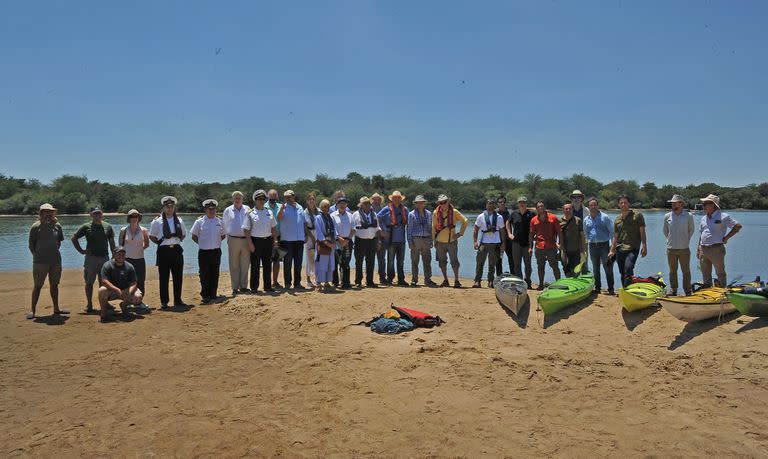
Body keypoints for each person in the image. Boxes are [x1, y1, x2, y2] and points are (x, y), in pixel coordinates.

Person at [72, 206, 116, 313]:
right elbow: (74, 238)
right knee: (89, 283)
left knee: (104, 283)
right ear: (91, 215)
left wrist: (114, 256)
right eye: (95, 214)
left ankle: (104, 303)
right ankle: (89, 304)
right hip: (91, 259)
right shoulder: (86, 226)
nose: (97, 216)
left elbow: (111, 243)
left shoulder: (108, 227)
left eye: (99, 213)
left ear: (102, 214)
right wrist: (82, 251)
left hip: (104, 258)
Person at [28, 203, 68, 319]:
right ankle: (32, 310)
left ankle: (56, 309)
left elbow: (59, 242)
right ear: (41, 213)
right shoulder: (36, 227)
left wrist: (53, 254)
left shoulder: (57, 226)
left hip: (55, 261)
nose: (48, 214)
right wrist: (37, 257)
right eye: (46, 212)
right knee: (38, 286)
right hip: (40, 262)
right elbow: (31, 245)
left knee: (54, 285)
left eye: (50, 212)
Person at [149, 196, 188, 309]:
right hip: (164, 251)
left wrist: (174, 240)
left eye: (171, 206)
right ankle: (164, 302)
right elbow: (152, 236)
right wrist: (161, 243)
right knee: (164, 277)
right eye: (167, 206)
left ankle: (177, 300)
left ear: (174, 207)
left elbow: (184, 234)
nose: (169, 208)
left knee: (178, 276)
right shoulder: (157, 221)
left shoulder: (179, 220)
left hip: (176, 250)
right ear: (164, 207)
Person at [697, 194, 742, 287]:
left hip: (716, 248)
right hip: (703, 249)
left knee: (720, 273)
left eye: (705, 203)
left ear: (713, 204)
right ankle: (707, 293)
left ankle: (721, 294)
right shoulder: (703, 218)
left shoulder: (723, 216)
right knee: (705, 274)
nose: (703, 205)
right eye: (703, 203)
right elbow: (701, 234)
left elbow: (737, 226)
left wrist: (726, 238)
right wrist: (698, 248)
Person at [243, 190, 279, 293]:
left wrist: (275, 240)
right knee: (255, 265)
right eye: (259, 199)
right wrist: (250, 243)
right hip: (255, 241)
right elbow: (246, 230)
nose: (261, 201)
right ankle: (254, 288)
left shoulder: (269, 212)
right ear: (255, 200)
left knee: (268, 264)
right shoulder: (250, 213)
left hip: (268, 241)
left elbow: (273, 228)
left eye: (263, 199)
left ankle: (267, 286)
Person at [191, 199, 226, 304]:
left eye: (213, 209)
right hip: (204, 252)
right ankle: (205, 295)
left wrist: (214, 243)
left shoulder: (220, 221)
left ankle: (213, 294)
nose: (211, 211)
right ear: (205, 210)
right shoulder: (199, 221)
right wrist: (203, 243)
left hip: (216, 251)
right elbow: (194, 236)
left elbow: (223, 235)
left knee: (215, 273)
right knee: (204, 274)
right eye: (209, 209)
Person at [609, 195, 648, 288]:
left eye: (625, 202)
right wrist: (612, 250)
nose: (623, 204)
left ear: (629, 203)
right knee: (622, 272)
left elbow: (642, 231)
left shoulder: (637, 215)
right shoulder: (617, 219)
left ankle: (630, 290)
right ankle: (626, 290)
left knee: (629, 268)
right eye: (621, 203)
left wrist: (644, 246)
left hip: (632, 248)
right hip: (619, 248)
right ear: (618, 204)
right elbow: (615, 236)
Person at [98, 246, 143, 323]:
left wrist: (129, 292)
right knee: (102, 290)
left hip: (125, 291)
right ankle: (104, 315)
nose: (121, 256)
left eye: (123, 254)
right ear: (114, 254)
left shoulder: (129, 266)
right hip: (111, 291)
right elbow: (104, 281)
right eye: (119, 254)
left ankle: (124, 306)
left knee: (138, 297)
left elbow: (134, 283)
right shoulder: (107, 265)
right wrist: (117, 290)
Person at [432, 194, 468, 288]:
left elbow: (465, 221)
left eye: (444, 202)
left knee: (454, 262)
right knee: (442, 262)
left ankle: (456, 280)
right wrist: (433, 240)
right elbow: (434, 227)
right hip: (439, 242)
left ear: (448, 202)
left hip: (451, 241)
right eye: (441, 202)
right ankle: (445, 280)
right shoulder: (435, 213)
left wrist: (460, 233)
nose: (443, 204)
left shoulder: (454, 212)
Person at [663, 194, 695, 296]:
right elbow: (665, 231)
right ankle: (673, 290)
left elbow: (691, 230)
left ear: (681, 204)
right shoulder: (667, 216)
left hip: (684, 248)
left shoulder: (688, 216)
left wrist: (685, 240)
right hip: (671, 249)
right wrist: (671, 240)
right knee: (672, 271)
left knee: (686, 271)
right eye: (672, 203)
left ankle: (687, 291)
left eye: (675, 203)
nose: (673, 204)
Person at [377, 190, 409, 286]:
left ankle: (401, 279)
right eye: (395, 198)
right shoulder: (386, 209)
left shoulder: (405, 209)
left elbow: (409, 221)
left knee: (401, 261)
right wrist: (382, 229)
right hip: (390, 239)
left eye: (398, 198)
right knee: (390, 261)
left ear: (401, 199)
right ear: (392, 199)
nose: (397, 199)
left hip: (401, 240)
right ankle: (390, 279)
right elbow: (377, 218)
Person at [584, 197, 615, 294]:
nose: (593, 207)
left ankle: (611, 289)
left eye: (595, 205)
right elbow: (585, 233)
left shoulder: (604, 217)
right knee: (595, 268)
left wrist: (612, 248)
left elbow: (612, 233)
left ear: (598, 206)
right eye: (591, 205)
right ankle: (598, 288)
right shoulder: (586, 219)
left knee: (608, 267)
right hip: (592, 246)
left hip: (605, 245)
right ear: (588, 207)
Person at [473, 199, 507, 288]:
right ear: (486, 205)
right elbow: (475, 230)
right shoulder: (480, 216)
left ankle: (490, 281)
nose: (490, 206)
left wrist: (503, 243)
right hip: (483, 242)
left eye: (492, 204)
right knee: (479, 262)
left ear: (495, 205)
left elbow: (502, 231)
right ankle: (477, 281)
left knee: (492, 264)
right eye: (489, 204)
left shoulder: (499, 217)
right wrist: (475, 241)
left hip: (495, 243)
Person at [222, 191, 251, 295]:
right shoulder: (228, 210)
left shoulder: (248, 209)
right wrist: (227, 239)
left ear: (242, 199)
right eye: (236, 198)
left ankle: (243, 286)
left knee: (245, 264)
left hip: (246, 239)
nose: (238, 200)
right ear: (232, 199)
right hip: (233, 239)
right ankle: (235, 287)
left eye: (239, 198)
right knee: (234, 264)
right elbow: (224, 225)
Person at [529, 200, 562, 289]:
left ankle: (558, 283)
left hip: (551, 246)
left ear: (545, 207)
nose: (540, 208)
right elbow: (531, 234)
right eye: (538, 207)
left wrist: (560, 244)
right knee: (540, 266)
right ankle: (540, 285)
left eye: (542, 206)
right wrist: (530, 247)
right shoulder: (533, 220)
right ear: (536, 209)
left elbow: (559, 232)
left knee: (554, 266)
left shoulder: (553, 218)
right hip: (539, 246)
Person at [277, 190, 306, 290]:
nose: (287, 199)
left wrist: (305, 235)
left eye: (289, 197)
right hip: (287, 240)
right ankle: (287, 284)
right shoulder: (283, 207)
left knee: (298, 263)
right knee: (287, 263)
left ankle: (297, 283)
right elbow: (279, 218)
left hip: (299, 240)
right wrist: (281, 209)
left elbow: (304, 222)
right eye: (285, 197)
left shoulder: (300, 207)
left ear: (294, 196)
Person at [119, 209, 149, 300]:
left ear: (139, 218)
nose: (134, 218)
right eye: (132, 216)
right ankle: (128, 300)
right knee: (127, 281)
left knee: (140, 281)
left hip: (140, 259)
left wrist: (139, 249)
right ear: (129, 218)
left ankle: (139, 301)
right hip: (127, 260)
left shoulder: (143, 230)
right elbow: (120, 246)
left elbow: (147, 244)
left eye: (136, 216)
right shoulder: (123, 230)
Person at [407, 195, 436, 287]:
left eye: (421, 202)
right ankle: (414, 280)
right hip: (416, 239)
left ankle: (428, 280)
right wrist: (410, 242)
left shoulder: (428, 213)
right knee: (415, 261)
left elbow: (430, 227)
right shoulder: (411, 214)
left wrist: (431, 240)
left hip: (426, 239)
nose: (420, 204)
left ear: (424, 203)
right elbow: (409, 229)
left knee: (427, 261)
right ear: (415, 204)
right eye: (418, 203)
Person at [506, 196, 534, 288]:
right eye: (520, 202)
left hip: (527, 243)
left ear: (526, 204)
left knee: (528, 264)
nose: (522, 204)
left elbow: (537, 224)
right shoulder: (514, 214)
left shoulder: (531, 214)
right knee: (517, 264)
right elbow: (507, 223)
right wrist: (509, 233)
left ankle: (528, 282)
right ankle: (519, 282)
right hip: (516, 243)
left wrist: (536, 235)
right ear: (518, 204)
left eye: (523, 202)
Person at [352, 196, 379, 288]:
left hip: (371, 240)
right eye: (365, 203)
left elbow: (377, 229)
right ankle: (358, 281)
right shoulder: (355, 214)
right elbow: (353, 228)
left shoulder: (374, 214)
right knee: (359, 262)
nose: (367, 205)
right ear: (361, 205)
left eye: (368, 203)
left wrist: (378, 241)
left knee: (371, 262)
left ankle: (370, 281)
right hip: (360, 240)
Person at [331, 196, 355, 289]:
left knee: (346, 263)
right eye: (340, 203)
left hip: (348, 241)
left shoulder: (350, 215)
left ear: (346, 205)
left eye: (344, 203)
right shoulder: (333, 215)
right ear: (337, 205)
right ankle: (335, 282)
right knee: (336, 262)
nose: (342, 205)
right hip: (337, 241)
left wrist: (347, 240)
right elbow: (333, 230)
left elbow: (353, 229)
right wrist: (339, 239)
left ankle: (346, 283)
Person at [314, 199, 336, 291]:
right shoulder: (318, 218)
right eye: (324, 206)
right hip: (322, 244)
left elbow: (334, 230)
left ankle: (326, 282)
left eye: (328, 206)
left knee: (330, 264)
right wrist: (325, 242)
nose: (326, 208)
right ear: (321, 207)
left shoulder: (331, 218)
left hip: (330, 244)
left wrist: (334, 241)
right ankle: (318, 283)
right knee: (321, 264)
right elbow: (318, 232)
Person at [559, 202, 586, 277]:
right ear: (563, 210)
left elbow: (582, 236)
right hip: (564, 251)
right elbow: (554, 235)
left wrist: (583, 251)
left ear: (572, 209)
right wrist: (558, 245)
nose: (568, 210)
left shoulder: (578, 220)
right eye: (566, 209)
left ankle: (576, 286)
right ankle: (569, 284)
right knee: (566, 269)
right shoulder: (559, 221)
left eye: (570, 209)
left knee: (576, 271)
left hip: (576, 250)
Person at [265, 189, 283, 288]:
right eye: (270, 196)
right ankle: (267, 282)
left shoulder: (281, 206)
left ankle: (275, 281)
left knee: (276, 260)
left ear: (277, 197)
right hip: (267, 237)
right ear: (268, 196)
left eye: (274, 196)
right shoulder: (263, 207)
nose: (272, 198)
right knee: (267, 260)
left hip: (279, 236)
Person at [371, 192, 387, 285]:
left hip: (382, 237)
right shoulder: (368, 210)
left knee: (381, 258)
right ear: (372, 200)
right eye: (375, 199)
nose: (377, 201)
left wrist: (385, 232)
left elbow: (385, 222)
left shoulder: (383, 209)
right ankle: (370, 278)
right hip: (372, 237)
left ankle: (382, 277)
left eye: (378, 199)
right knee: (371, 259)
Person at [304, 193, 319, 287]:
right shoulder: (304, 212)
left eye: (313, 199)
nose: (312, 201)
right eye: (310, 199)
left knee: (318, 257)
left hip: (318, 234)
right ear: (307, 201)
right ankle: (308, 279)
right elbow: (305, 226)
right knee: (309, 257)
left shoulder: (319, 211)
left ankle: (317, 278)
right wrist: (312, 238)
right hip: (309, 235)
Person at [495, 196, 512, 276]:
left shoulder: (511, 213)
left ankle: (513, 276)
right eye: (500, 202)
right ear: (497, 204)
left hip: (509, 240)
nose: (502, 203)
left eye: (503, 202)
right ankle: (499, 277)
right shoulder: (495, 213)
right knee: (498, 260)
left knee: (512, 259)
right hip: (497, 240)